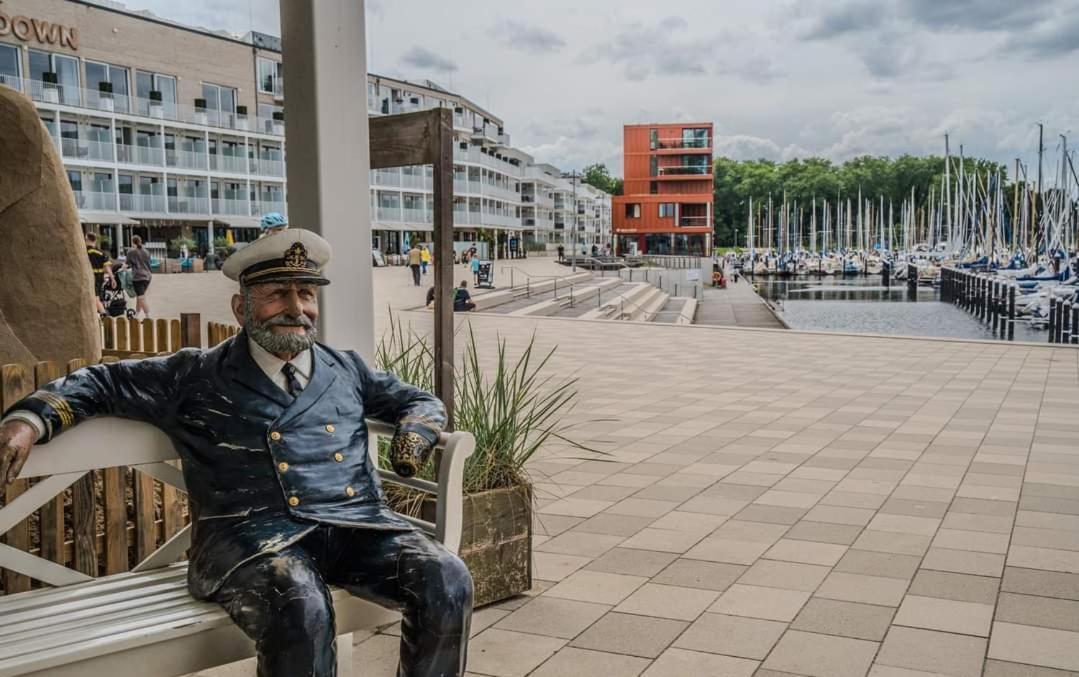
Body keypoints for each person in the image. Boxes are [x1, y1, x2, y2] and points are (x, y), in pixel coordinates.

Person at [0, 229, 473, 676]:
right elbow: (100, 382)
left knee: (446, 577)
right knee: (300, 604)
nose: (296, 308)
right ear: (240, 308)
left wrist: (416, 434)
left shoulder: (345, 367)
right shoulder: (196, 374)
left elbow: (418, 400)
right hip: (251, 543)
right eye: (277, 295)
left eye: (305, 294)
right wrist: (28, 422)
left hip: (355, 526)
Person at [124, 235, 153, 319]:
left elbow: (126, 264)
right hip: (148, 276)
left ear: (132, 242)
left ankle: (148, 316)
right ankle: (136, 315)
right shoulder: (146, 251)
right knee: (140, 296)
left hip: (138, 277)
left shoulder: (131, 252)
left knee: (141, 297)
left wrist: (122, 269)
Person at [85, 232, 112, 316]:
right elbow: (107, 267)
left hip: (92, 277)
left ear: (87, 239)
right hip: (100, 277)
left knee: (95, 298)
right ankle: (97, 315)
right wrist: (112, 278)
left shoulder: (86, 252)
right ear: (95, 240)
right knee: (96, 297)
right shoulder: (101, 252)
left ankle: (104, 315)